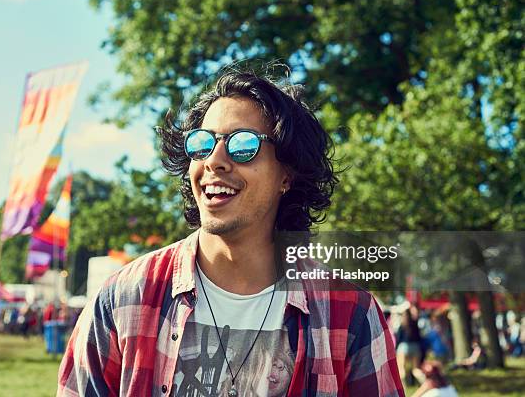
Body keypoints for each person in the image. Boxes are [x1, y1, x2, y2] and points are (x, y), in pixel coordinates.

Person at [58, 67, 404, 396]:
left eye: (242, 145)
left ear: (287, 175)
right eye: (202, 143)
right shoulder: (124, 299)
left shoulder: (350, 314)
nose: (214, 160)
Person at [395, 308, 422, 385]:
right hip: (415, 346)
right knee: (416, 369)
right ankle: (423, 382)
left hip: (403, 347)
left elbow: (398, 338)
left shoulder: (402, 325)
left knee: (401, 368)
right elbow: (419, 337)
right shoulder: (415, 324)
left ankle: (403, 386)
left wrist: (396, 349)